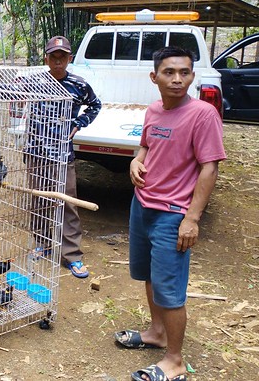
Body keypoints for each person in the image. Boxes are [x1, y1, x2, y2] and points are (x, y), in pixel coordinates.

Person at [115, 47, 226, 381]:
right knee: (149, 276)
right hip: (143, 206)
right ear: (155, 77)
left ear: (192, 75)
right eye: (169, 72)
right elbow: (146, 145)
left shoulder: (203, 114)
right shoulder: (153, 111)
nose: (178, 79)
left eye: (185, 72)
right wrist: (136, 160)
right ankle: (156, 332)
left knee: (170, 289)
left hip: (173, 214)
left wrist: (192, 218)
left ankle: (175, 361)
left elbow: (209, 168)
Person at [27, 36, 102, 278]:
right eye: (53, 57)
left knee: (68, 203)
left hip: (62, 154)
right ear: (46, 58)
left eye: (63, 57)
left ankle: (72, 255)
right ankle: (42, 243)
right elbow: (6, 90)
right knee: (39, 200)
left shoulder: (78, 85)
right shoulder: (35, 81)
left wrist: (79, 123)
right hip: (36, 151)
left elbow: (95, 105)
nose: (58, 62)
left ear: (69, 59)